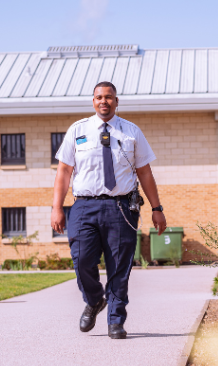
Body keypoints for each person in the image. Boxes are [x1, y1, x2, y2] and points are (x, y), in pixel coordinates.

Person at [51, 81, 167, 339]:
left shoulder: (131, 132)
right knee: (82, 260)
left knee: (119, 267)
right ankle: (94, 300)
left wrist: (157, 208)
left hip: (121, 207)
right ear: (93, 101)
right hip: (84, 205)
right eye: (99, 97)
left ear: (116, 101)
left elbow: (145, 172)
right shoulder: (77, 130)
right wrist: (57, 207)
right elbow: (64, 172)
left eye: (109, 97)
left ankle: (116, 320)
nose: (104, 101)